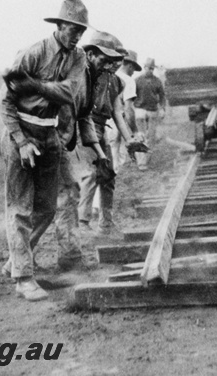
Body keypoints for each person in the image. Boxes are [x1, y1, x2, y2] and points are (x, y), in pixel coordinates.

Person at [0, 0, 100, 301]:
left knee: (47, 207)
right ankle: (23, 277)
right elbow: (3, 100)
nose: (78, 34)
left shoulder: (78, 58)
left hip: (50, 132)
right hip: (22, 134)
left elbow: (69, 93)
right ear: (60, 25)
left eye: (82, 29)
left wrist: (36, 86)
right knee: (20, 207)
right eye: (73, 28)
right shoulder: (33, 53)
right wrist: (22, 140)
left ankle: (17, 259)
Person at [53, 31, 123, 269]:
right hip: (51, 137)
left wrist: (102, 155)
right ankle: (24, 263)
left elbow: (85, 117)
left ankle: (70, 257)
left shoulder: (98, 77)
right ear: (91, 54)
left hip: (75, 136)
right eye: (105, 59)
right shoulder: (76, 73)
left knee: (70, 193)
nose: (110, 64)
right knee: (62, 196)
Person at [76, 40, 147, 235]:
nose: (116, 63)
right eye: (113, 58)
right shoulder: (86, 75)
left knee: (108, 175)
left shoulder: (117, 82)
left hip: (102, 130)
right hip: (84, 127)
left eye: (119, 60)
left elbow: (118, 113)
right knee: (91, 174)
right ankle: (82, 222)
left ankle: (106, 223)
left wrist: (129, 139)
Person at [108, 49, 142, 167]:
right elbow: (128, 109)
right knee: (115, 160)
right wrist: (135, 131)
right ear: (130, 66)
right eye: (133, 69)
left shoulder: (110, 75)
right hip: (116, 122)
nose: (133, 72)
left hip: (102, 122)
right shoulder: (128, 80)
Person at [133, 58, 167, 170]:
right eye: (148, 68)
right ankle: (141, 162)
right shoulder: (137, 80)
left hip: (152, 110)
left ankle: (146, 160)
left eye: (152, 68)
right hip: (140, 110)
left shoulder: (157, 81)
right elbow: (131, 96)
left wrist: (162, 108)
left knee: (151, 136)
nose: (150, 70)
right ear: (144, 67)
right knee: (141, 136)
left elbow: (162, 96)